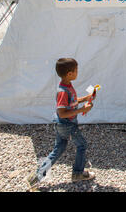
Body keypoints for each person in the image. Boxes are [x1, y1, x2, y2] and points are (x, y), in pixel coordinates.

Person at [28, 58, 95, 188]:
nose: (77, 72)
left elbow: (72, 102)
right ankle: (78, 173)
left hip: (61, 124)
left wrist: (85, 99)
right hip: (67, 124)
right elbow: (62, 112)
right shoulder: (63, 92)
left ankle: (36, 176)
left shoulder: (67, 86)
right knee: (81, 145)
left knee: (59, 149)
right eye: (76, 70)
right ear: (70, 73)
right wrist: (82, 109)